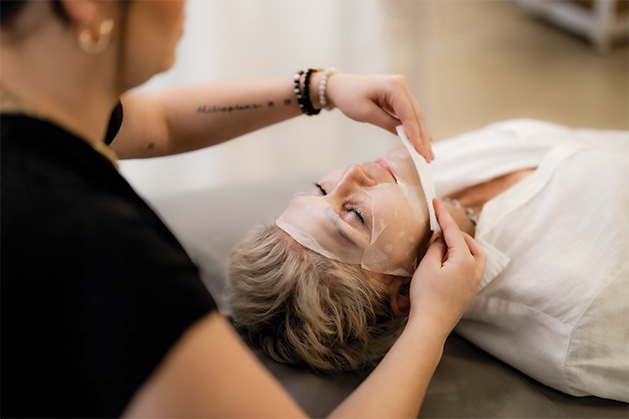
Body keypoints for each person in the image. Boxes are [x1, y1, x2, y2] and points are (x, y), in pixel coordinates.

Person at [1, 0, 486, 417]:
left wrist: (321, 87)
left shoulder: (36, 105)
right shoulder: (107, 257)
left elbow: (160, 123)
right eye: (348, 213)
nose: (347, 174)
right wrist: (430, 323)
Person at [226, 119, 628, 402]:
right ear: (404, 291)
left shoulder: (423, 180)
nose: (349, 172)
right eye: (354, 216)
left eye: (318, 190)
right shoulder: (579, 321)